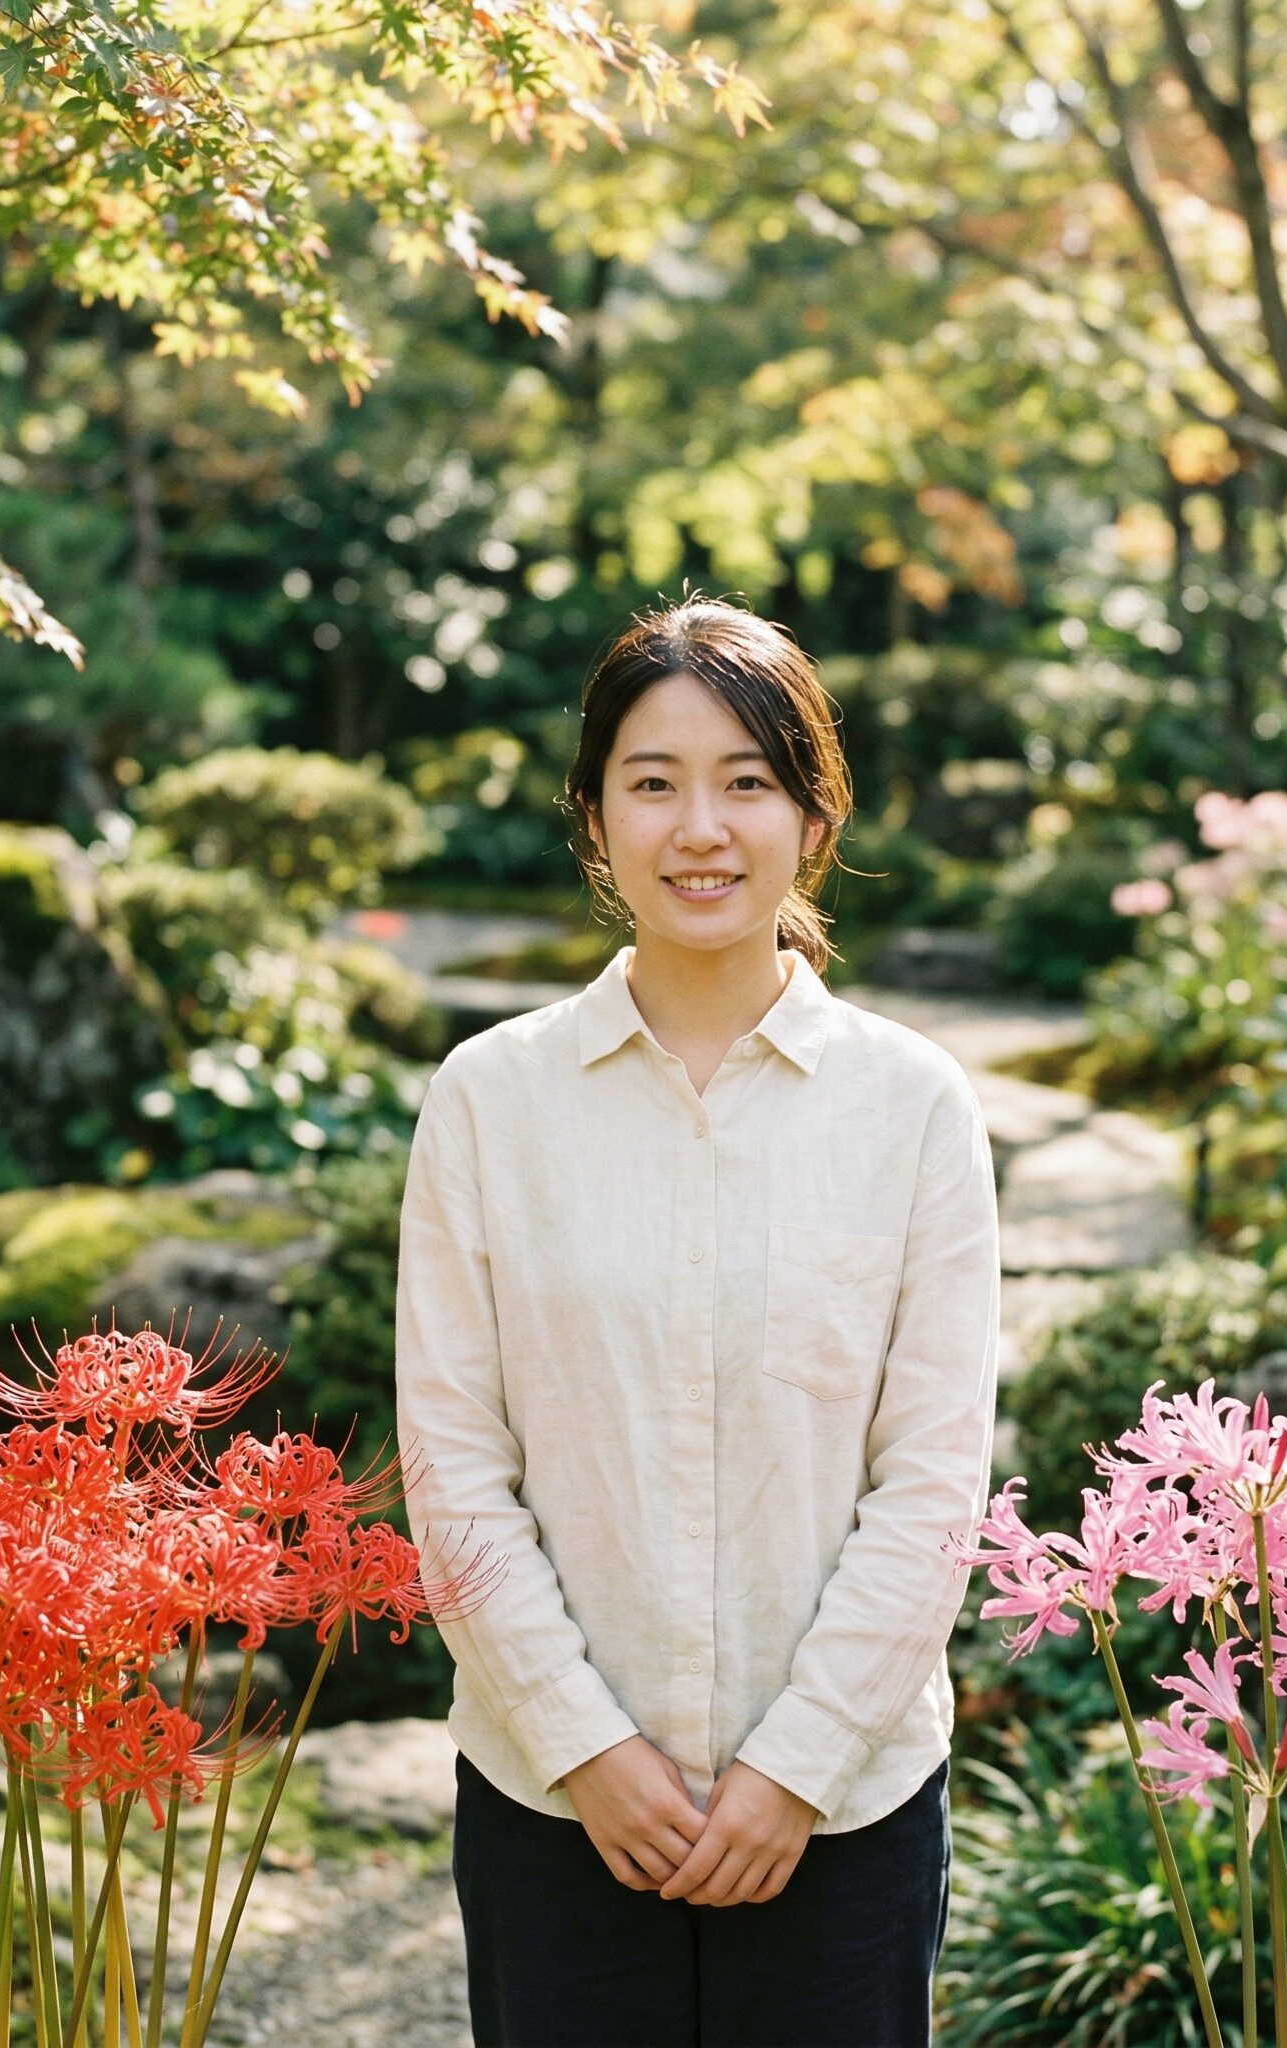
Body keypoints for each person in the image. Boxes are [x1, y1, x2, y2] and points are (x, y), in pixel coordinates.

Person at [393, 593, 1001, 2047]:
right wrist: (584, 1745)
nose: (701, 829)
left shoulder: (913, 1108)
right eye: (653, 783)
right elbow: (453, 1462)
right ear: (595, 817)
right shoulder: (489, 1101)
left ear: (814, 816)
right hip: (555, 1807)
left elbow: (934, 1482)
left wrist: (796, 1767)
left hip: (844, 1814)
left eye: (747, 782)